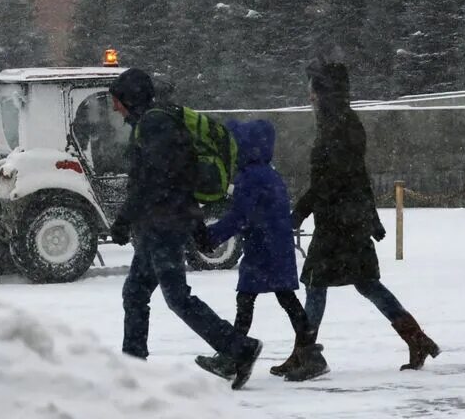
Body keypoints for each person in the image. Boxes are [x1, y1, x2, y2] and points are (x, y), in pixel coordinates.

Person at [285, 61, 442, 380]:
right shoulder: (341, 122)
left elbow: (334, 179)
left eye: (314, 88)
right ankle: (416, 340)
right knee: (366, 283)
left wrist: (300, 211)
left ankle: (305, 353)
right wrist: (370, 218)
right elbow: (356, 175)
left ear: (323, 91)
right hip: (347, 219)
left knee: (316, 283)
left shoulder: (339, 126)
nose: (310, 95)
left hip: (338, 222)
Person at [108, 68, 263, 388]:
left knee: (177, 297)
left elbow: (159, 179)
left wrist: (126, 217)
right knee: (135, 292)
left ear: (129, 98)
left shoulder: (155, 124)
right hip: (159, 222)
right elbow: (176, 176)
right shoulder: (152, 123)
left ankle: (239, 348)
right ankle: (133, 363)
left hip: (164, 224)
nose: (114, 108)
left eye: (116, 101)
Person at [192, 119, 312, 381]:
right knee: (281, 299)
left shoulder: (251, 177)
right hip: (272, 245)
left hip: (263, 248)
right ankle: (307, 352)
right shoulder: (268, 173)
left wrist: (211, 236)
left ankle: (236, 357)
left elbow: (240, 216)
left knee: (249, 301)